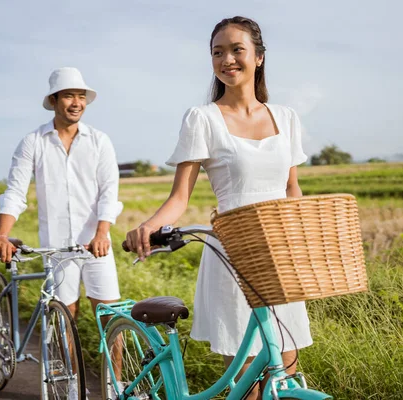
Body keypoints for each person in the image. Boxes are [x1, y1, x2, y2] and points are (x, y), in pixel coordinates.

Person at [125, 16, 313, 399]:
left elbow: (292, 189)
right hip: (233, 252)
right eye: (217, 52)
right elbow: (180, 197)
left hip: (280, 255)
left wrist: (305, 238)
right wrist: (147, 227)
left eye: (237, 50)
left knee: (286, 369)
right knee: (246, 381)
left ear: (259, 57)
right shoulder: (203, 119)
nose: (227, 59)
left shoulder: (287, 118)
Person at [0, 67, 122, 371]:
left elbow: (109, 192)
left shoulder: (99, 141)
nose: (76, 102)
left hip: (95, 242)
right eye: (68, 96)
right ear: (54, 100)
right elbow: (15, 192)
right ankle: (72, 384)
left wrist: (102, 232)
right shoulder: (33, 142)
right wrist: (1, 235)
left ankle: (117, 388)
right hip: (57, 248)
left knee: (111, 316)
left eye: (81, 96)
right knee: (65, 316)